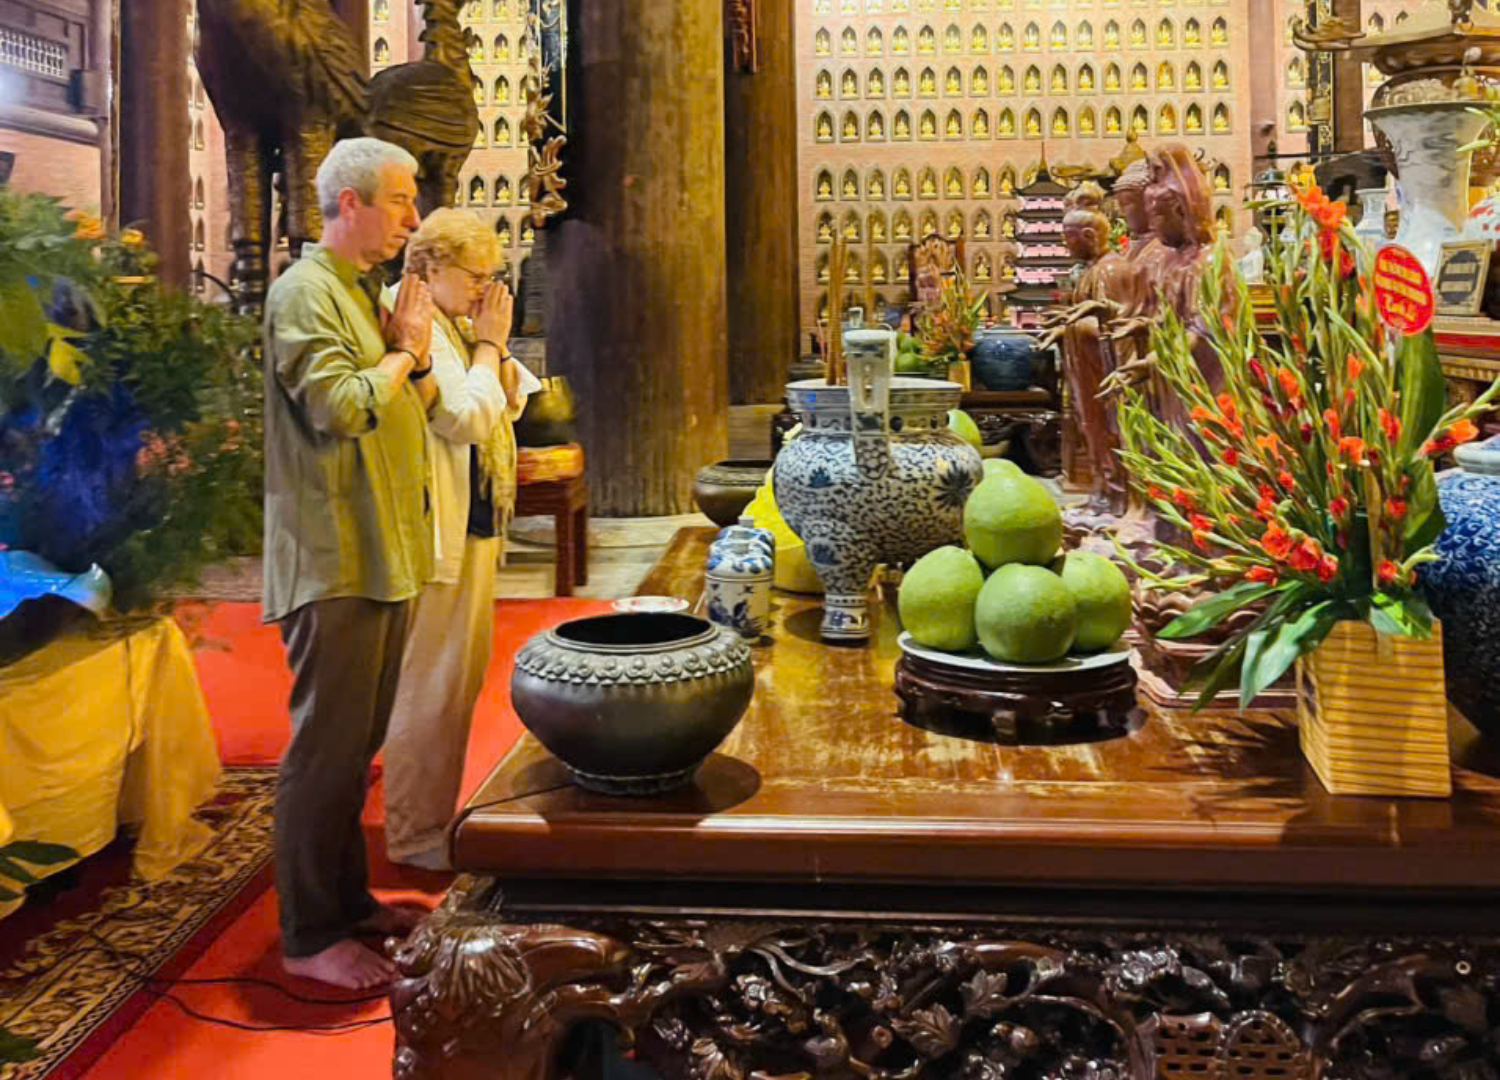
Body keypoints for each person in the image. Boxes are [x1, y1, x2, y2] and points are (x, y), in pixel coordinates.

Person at [261, 137, 436, 990]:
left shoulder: (360, 292)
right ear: (351, 203)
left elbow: (410, 403)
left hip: (380, 549)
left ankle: (348, 903)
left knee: (355, 747)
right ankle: (307, 934)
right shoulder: (305, 291)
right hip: (333, 554)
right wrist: (402, 352)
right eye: (401, 199)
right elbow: (339, 405)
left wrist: (415, 352)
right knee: (323, 751)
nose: (413, 217)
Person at [381, 208, 540, 871]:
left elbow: (516, 392)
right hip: (432, 525)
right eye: (478, 277)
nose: (486, 291)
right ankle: (414, 833)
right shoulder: (409, 314)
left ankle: (431, 818)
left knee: (457, 678)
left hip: (470, 516)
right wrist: (489, 348)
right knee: (430, 683)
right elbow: (465, 417)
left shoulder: (450, 317)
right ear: (433, 266)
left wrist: (490, 352)